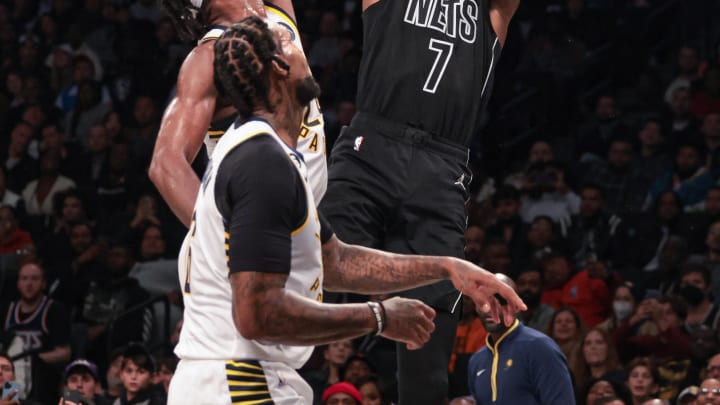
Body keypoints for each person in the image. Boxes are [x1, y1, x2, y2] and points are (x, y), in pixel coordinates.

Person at [168, 17, 524, 404]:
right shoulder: (261, 162)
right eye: (289, 39)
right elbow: (258, 315)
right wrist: (380, 317)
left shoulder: (268, 154)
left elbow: (334, 262)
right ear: (279, 69)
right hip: (238, 381)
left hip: (246, 376)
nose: (302, 45)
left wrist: (448, 269)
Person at [319, 0, 521, 402]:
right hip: (371, 145)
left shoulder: (490, 12)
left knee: (429, 343)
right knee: (312, 271)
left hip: (442, 166)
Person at [151, 0, 327, 228]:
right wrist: (222, 236)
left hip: (303, 223)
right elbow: (165, 163)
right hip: (255, 240)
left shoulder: (275, 13)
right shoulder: (209, 57)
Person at [467, 274, 575, 405]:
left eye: (500, 301)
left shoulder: (540, 347)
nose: (490, 308)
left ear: (516, 305)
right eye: (482, 301)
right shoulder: (476, 360)